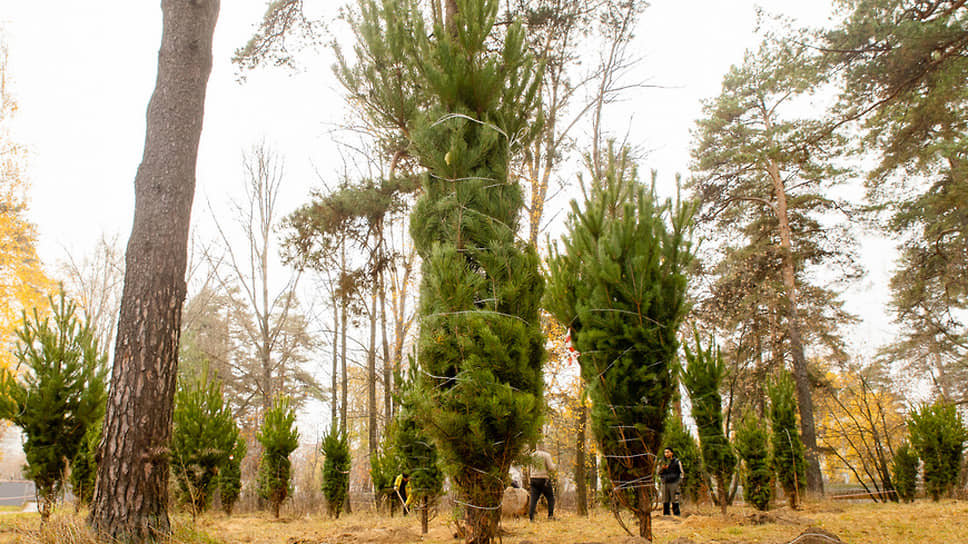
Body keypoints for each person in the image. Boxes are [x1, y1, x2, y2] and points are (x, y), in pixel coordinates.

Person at [528, 447, 556, 521]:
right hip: (543, 479)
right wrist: (555, 466)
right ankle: (550, 516)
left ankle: (531, 517)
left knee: (533, 499)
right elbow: (551, 468)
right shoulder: (546, 455)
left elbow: (528, 469)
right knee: (550, 498)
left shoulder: (532, 456)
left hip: (533, 478)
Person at [658, 447, 682, 516]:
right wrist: (662, 468)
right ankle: (666, 516)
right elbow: (658, 472)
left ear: (672, 453)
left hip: (674, 483)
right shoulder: (661, 462)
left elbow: (681, 473)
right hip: (665, 483)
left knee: (675, 500)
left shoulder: (677, 462)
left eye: (668, 452)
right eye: (665, 452)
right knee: (665, 500)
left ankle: (677, 515)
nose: (666, 454)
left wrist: (679, 482)